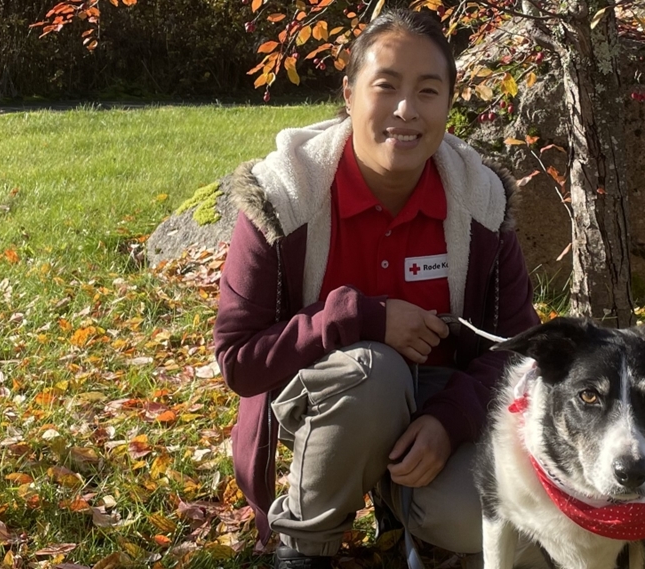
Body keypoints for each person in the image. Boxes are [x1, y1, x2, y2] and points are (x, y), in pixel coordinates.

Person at [211, 9, 540, 569]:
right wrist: (359, 317)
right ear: (349, 93)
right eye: (385, 86)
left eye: (428, 91)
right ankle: (307, 546)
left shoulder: (481, 203)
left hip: (439, 402)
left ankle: (403, 505)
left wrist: (451, 421)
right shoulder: (283, 197)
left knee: (486, 521)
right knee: (373, 372)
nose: (406, 110)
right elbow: (239, 361)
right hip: (322, 401)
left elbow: (519, 349)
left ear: (449, 103)